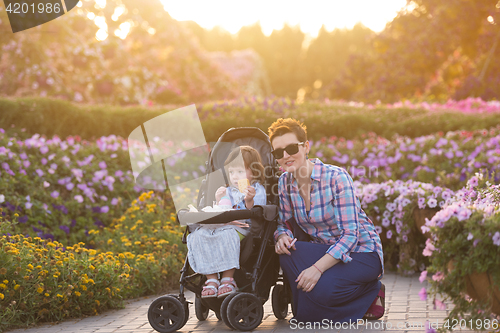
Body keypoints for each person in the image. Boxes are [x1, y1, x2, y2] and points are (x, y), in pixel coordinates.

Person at [268, 118, 385, 323]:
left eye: (291, 148)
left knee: (320, 292)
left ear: (306, 147)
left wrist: (316, 269)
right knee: (286, 253)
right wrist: (282, 237)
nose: (285, 156)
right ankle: (313, 303)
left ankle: (371, 291)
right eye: (278, 152)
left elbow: (351, 236)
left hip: (361, 252)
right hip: (324, 250)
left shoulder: (336, 177)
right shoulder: (284, 182)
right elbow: (282, 224)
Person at [187, 145, 267, 298]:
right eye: (231, 172)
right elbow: (223, 210)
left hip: (242, 227)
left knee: (227, 234)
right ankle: (211, 279)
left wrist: (250, 200)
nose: (235, 177)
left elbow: (258, 212)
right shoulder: (228, 190)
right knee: (199, 234)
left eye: (240, 171)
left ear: (254, 172)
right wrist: (220, 200)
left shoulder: (256, 189)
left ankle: (227, 278)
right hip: (222, 225)